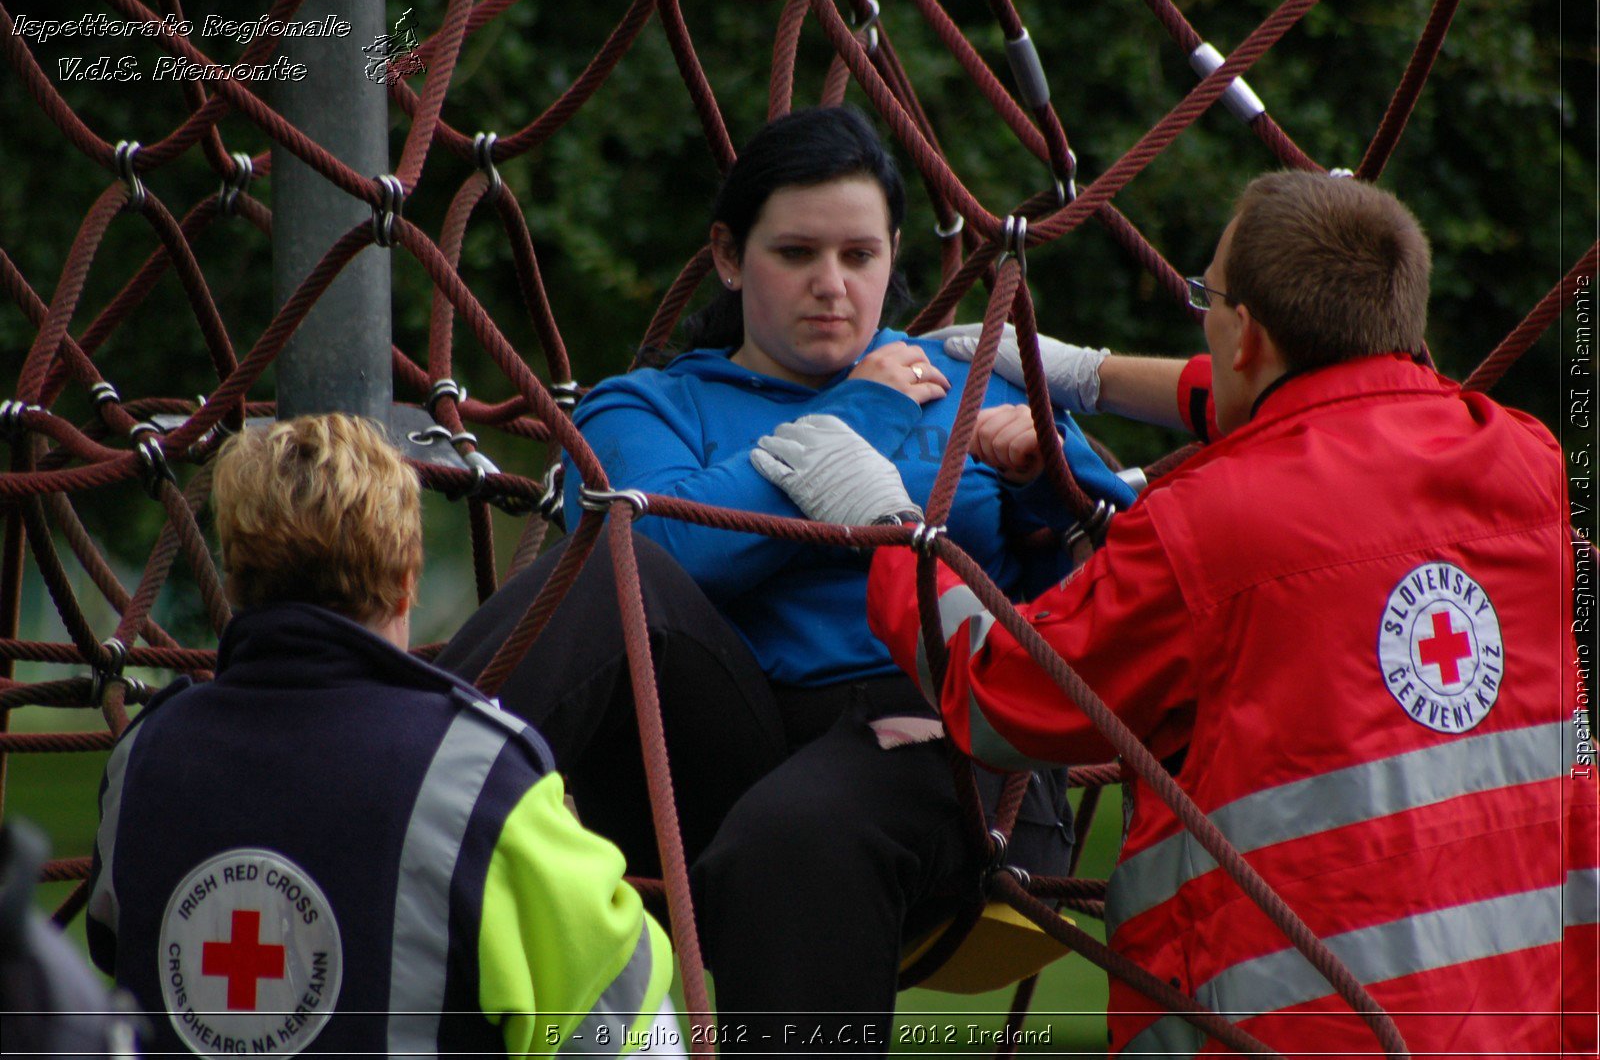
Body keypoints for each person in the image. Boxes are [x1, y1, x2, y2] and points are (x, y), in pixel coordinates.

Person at [755, 169, 1599, 1056]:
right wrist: (1099, 379)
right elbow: (1355, 404)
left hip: (1291, 1021)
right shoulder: (1520, 459)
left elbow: (1007, 696)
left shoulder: (1204, 526)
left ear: (1247, 337)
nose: (1202, 314)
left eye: (1209, 299)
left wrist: (894, 529)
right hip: (1530, 1009)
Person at [440, 105, 1139, 1050]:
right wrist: (858, 415)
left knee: (800, 835)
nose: (832, 286)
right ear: (730, 257)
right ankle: (408, 773)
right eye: (796, 253)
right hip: (728, 746)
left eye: (859, 256)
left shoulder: (975, 380)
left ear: (895, 256)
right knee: (618, 558)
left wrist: (1045, 484)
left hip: (962, 746)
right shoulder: (651, 405)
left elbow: (1125, 550)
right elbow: (664, 555)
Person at [86, 414, 677, 1058]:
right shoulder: (481, 778)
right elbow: (618, 1024)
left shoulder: (140, 756)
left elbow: (117, 945)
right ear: (405, 584)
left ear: (233, 580)